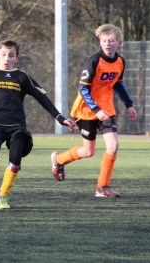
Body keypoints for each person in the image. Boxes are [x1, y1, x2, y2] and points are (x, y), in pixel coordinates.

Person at [0, 37, 78, 209]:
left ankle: (3, 197)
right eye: (3, 55)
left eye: (11, 56)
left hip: (17, 125)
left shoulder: (22, 77)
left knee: (15, 158)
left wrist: (60, 118)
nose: (6, 59)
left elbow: (42, 98)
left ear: (17, 58)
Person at [50, 24, 136, 197]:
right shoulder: (93, 62)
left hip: (106, 109)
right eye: (104, 40)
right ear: (100, 42)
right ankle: (58, 159)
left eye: (111, 40)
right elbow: (83, 89)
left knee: (113, 145)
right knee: (88, 151)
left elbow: (118, 84)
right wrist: (96, 110)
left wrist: (129, 104)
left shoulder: (120, 62)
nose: (107, 44)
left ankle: (102, 187)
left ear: (119, 43)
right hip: (86, 110)